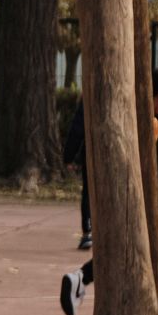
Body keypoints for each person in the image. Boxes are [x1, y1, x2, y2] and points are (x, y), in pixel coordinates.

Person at [60, 67, 158, 315]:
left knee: (122, 246)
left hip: (113, 186)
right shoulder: (148, 121)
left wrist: (70, 156)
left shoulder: (122, 105)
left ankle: (80, 279)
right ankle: (151, 305)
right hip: (134, 191)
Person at [61, 104, 93, 250]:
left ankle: (88, 231)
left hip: (93, 149)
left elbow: (77, 128)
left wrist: (69, 156)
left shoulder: (90, 97)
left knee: (89, 191)